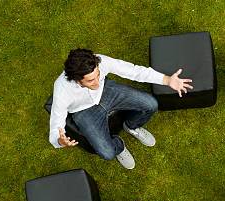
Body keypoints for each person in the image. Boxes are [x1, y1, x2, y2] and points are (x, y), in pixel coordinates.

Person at [49, 48, 193, 169]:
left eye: (98, 75)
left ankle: (131, 127)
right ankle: (119, 146)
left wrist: (167, 80)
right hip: (84, 112)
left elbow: (133, 71)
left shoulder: (100, 61)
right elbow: (56, 123)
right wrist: (60, 141)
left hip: (108, 92)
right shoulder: (62, 89)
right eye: (91, 80)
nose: (97, 82)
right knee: (108, 153)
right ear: (77, 79)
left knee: (151, 104)